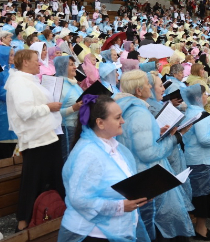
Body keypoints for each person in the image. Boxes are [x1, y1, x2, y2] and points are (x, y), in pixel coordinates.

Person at [115, 69, 195, 241]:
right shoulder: (139, 112)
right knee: (158, 223)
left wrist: (157, 133)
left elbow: (134, 139)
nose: (150, 86)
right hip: (148, 175)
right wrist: (176, 138)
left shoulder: (125, 108)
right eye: (147, 83)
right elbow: (149, 153)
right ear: (138, 90)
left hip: (135, 173)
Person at [58, 95, 150, 242]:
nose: (123, 121)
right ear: (100, 123)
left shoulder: (112, 146)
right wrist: (119, 206)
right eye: (118, 117)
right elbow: (79, 199)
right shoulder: (89, 154)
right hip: (93, 234)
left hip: (113, 230)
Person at [5, 49, 65, 232]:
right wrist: (48, 107)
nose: (40, 63)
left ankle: (51, 214)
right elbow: (25, 112)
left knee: (49, 179)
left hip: (46, 135)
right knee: (33, 181)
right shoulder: (19, 82)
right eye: (35, 60)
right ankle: (24, 222)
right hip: (36, 138)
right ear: (24, 62)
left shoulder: (26, 80)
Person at [53, 55, 83, 161]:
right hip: (68, 129)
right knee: (69, 158)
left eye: (74, 64)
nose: (75, 67)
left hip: (79, 127)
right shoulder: (58, 87)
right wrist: (73, 109)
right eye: (71, 65)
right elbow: (53, 112)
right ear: (63, 67)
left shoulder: (74, 84)